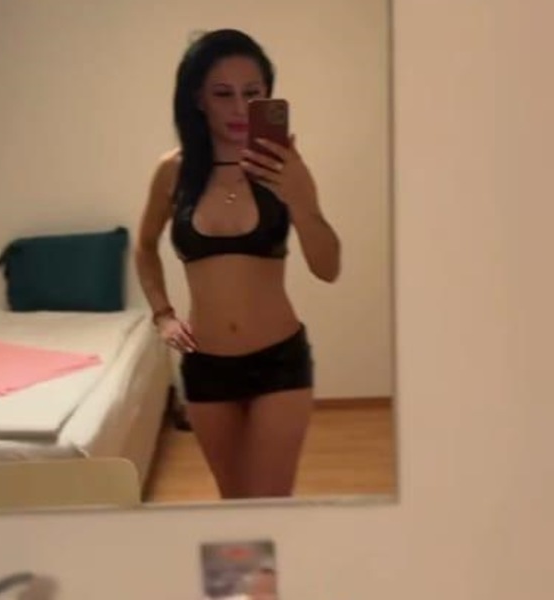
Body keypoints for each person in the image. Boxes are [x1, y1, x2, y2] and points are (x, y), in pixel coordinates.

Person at [135, 29, 340, 499]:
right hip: (206, 366)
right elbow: (144, 246)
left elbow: (328, 267)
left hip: (279, 362)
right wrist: (163, 314)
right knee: (234, 502)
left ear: (268, 96)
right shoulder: (173, 172)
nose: (239, 108)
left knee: (268, 502)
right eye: (223, 94)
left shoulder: (285, 168)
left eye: (252, 93)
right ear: (198, 99)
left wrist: (301, 200)